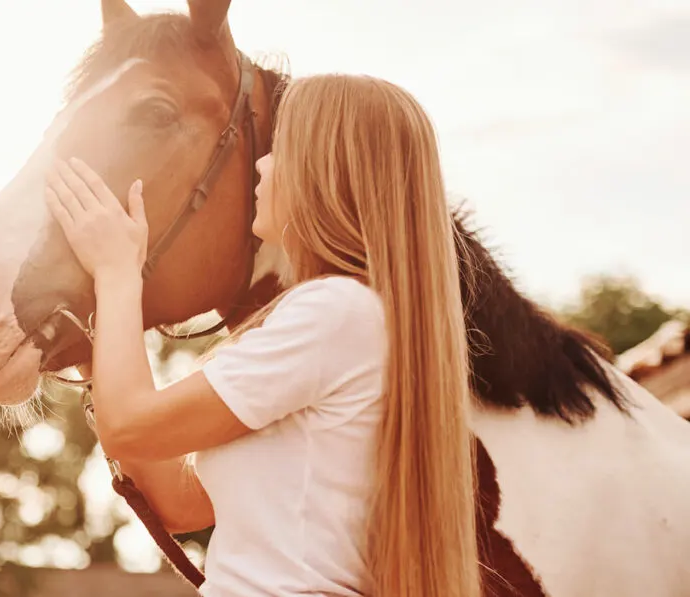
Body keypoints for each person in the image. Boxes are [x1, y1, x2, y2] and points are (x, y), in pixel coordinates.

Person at [43, 74, 480, 597]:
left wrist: (117, 272)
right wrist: (97, 350)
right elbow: (183, 503)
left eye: (280, 149)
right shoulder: (356, 318)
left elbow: (133, 427)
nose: (261, 164)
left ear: (327, 172)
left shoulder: (332, 312)